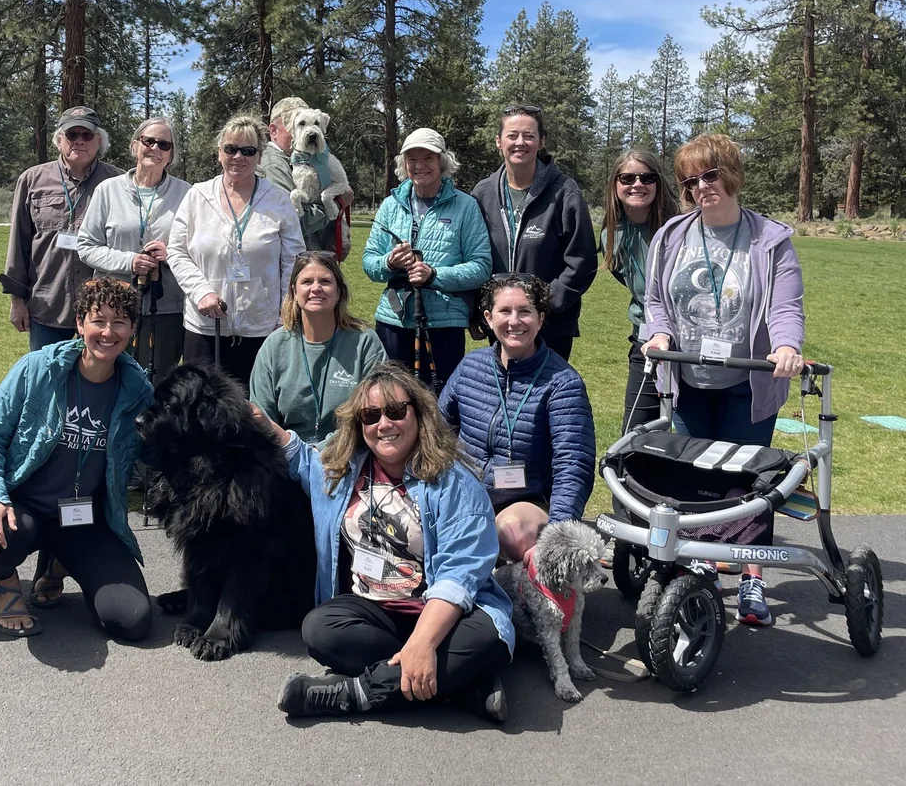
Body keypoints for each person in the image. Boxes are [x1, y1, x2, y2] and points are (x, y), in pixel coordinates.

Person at [256, 362, 514, 720]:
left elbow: (460, 576)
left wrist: (424, 642)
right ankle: (462, 686)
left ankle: (353, 693)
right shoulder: (342, 472)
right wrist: (264, 424)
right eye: (370, 415)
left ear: (419, 414)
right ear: (359, 425)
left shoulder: (455, 483)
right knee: (319, 629)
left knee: (489, 638)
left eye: (395, 411)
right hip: (376, 613)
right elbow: (302, 459)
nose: (384, 424)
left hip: (448, 616)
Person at [641, 132, 805, 628]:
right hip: (689, 378)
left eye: (710, 175)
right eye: (690, 181)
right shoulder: (670, 236)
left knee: (749, 482)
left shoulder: (770, 240)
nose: (701, 187)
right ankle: (703, 564)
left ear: (731, 175)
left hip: (748, 380)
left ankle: (753, 575)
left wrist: (786, 345)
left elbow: (785, 305)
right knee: (697, 481)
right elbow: (654, 302)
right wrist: (661, 334)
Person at [0, 278, 155, 640]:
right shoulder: (38, 369)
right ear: (80, 324)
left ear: (133, 330)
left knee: (132, 620)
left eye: (120, 321)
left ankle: (57, 562)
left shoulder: (137, 389)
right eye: (98, 320)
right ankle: (7, 586)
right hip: (24, 508)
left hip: (84, 518)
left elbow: (155, 454)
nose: (108, 332)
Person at [439, 273, 595, 563]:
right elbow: (436, 428)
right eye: (504, 311)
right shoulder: (471, 365)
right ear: (488, 317)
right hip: (467, 491)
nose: (514, 322)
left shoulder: (563, 382)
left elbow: (573, 464)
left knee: (512, 532)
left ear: (540, 318)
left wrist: (557, 532)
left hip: (525, 499)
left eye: (525, 311)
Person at [167, 113, 305, 392]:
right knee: (200, 410)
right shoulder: (197, 195)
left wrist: (283, 316)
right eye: (231, 149)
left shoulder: (278, 200)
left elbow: (294, 260)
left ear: (259, 155)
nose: (238, 157)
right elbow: (177, 251)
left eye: (248, 150)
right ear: (219, 153)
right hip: (205, 326)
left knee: (254, 412)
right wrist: (200, 292)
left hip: (262, 328)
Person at [363, 128, 492, 389]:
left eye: (428, 158)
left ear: (442, 162)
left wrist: (434, 275)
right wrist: (390, 262)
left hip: (444, 321)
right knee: (394, 397)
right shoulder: (391, 205)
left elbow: (481, 266)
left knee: (439, 400)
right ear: (404, 164)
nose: (419, 166)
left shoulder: (465, 206)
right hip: (394, 319)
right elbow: (369, 262)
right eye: (412, 159)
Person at [470, 104, 596, 361]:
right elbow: (473, 256)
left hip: (551, 324)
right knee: (503, 394)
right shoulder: (482, 194)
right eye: (512, 135)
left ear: (541, 141)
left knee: (546, 397)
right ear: (498, 141)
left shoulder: (564, 192)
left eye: (529, 136)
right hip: (502, 323)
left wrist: (542, 305)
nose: (520, 142)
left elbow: (582, 261)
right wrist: (478, 311)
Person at [77, 116, 190, 385]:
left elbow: (196, 250)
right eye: (148, 141)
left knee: (158, 385)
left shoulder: (187, 194)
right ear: (134, 146)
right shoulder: (107, 190)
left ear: (171, 154)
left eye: (164, 144)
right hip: (110, 308)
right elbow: (86, 246)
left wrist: (170, 253)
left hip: (164, 310)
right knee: (106, 379)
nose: (155, 148)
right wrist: (129, 261)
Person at [1, 106, 121, 350]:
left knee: (100, 379)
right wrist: (17, 300)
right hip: (47, 304)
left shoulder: (118, 182)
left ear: (99, 141)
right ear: (59, 140)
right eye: (71, 135)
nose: (79, 141)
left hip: (103, 307)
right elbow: (18, 243)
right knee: (49, 377)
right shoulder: (32, 180)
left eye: (86, 135)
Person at [250, 252, 386, 445]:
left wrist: (321, 452)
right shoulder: (274, 346)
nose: (316, 288)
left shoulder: (365, 342)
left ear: (339, 292)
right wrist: (296, 453)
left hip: (350, 454)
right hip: (285, 454)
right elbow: (262, 417)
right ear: (294, 292)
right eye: (306, 282)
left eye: (325, 281)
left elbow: (375, 413)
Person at [601, 149, 679, 433]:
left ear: (659, 184)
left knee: (689, 437)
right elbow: (629, 282)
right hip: (645, 344)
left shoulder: (678, 229)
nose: (638, 184)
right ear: (615, 184)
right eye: (628, 177)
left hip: (687, 347)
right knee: (635, 436)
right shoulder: (611, 234)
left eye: (647, 177)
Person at [260, 95, 345, 252]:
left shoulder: (302, 159)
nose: (308, 132)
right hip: (296, 259)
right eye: (299, 125)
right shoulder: (274, 166)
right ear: (273, 130)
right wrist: (338, 204)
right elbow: (293, 221)